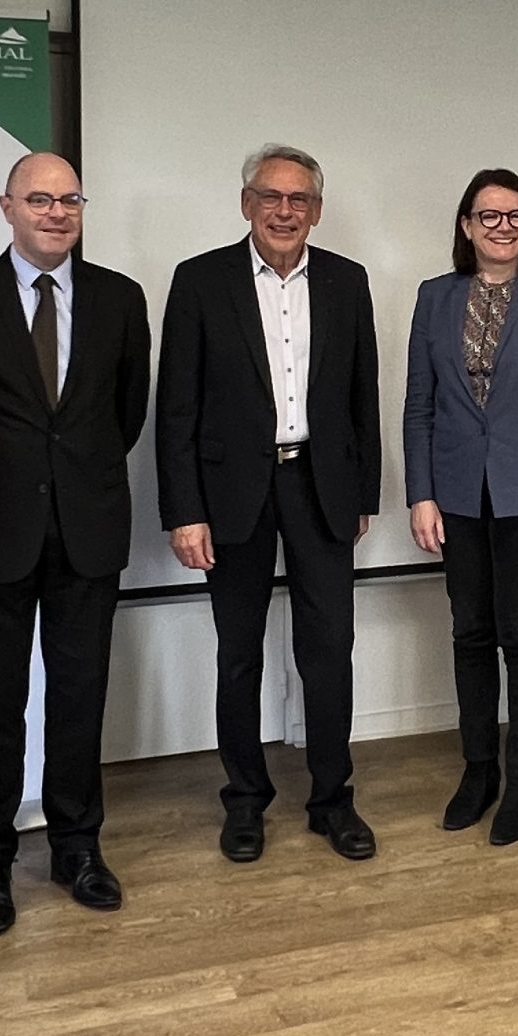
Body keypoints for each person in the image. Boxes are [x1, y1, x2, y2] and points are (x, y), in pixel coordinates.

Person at [0, 151, 150, 940]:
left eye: (70, 199)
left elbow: (126, 416)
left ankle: (78, 850)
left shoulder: (120, 299)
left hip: (88, 530)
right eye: (40, 199)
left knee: (81, 700)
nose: (56, 212)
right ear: (7, 206)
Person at [157, 145, 381, 864]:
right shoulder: (200, 281)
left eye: (300, 200)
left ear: (316, 209)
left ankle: (331, 801)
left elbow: (361, 394)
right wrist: (182, 510)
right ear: (246, 203)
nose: (285, 211)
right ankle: (245, 801)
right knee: (239, 654)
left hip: (320, 483)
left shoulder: (348, 281)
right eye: (271, 197)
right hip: (231, 493)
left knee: (329, 651)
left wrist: (363, 492)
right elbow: (177, 409)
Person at [403, 169, 518, 847]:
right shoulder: (435, 297)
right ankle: (477, 771)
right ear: (467, 226)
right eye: (490, 217)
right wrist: (420, 494)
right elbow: (418, 406)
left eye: (516, 217)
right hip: (456, 495)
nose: (504, 228)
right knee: (470, 634)